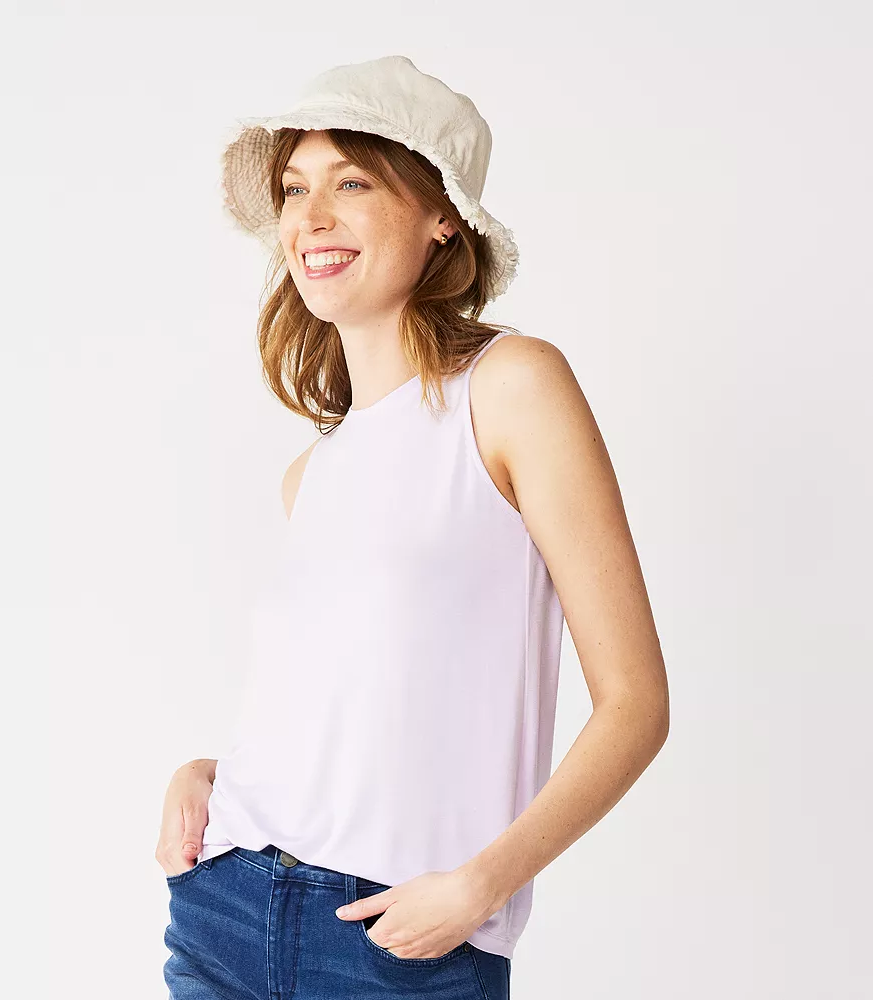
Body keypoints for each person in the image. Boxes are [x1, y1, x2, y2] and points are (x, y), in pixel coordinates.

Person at [155, 55, 669, 999]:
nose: (311, 217)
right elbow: (359, 718)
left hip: (399, 944)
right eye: (295, 188)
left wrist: (484, 883)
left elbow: (636, 702)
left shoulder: (512, 387)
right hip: (225, 910)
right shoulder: (311, 473)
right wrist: (211, 774)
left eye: (352, 182)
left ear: (443, 216)